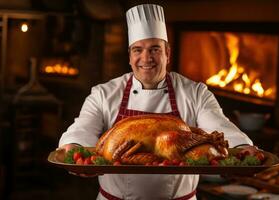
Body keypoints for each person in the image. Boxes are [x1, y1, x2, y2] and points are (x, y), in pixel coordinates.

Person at [58, 4, 255, 200]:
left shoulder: (195, 93)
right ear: (129, 56)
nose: (146, 58)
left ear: (167, 53)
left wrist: (240, 149)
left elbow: (219, 127)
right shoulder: (104, 93)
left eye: (154, 49)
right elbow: (83, 128)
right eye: (138, 50)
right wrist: (74, 148)